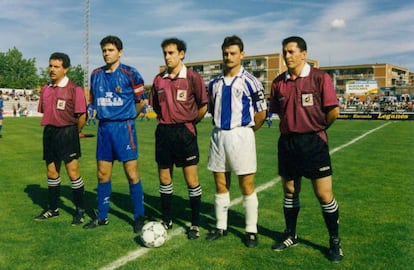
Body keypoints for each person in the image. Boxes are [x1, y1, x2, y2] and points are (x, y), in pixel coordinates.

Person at [268, 36, 343, 262]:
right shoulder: (278, 82)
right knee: (290, 192)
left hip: (314, 143)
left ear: (303, 54)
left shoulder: (320, 78)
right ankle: (291, 234)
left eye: (291, 52)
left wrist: (316, 129)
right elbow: (277, 111)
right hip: (288, 143)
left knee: (324, 194)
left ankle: (335, 242)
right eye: (285, 52)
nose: (287, 56)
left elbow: (333, 112)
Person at [205, 35, 267, 248]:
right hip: (218, 135)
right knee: (221, 183)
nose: (228, 57)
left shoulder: (250, 80)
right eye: (225, 53)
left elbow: (261, 113)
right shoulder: (214, 83)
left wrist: (247, 132)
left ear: (242, 54)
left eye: (233, 53)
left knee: (246, 184)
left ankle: (251, 230)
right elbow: (212, 109)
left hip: (242, 135)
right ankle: (221, 226)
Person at [83, 35, 146, 233]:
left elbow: (141, 101)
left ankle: (139, 216)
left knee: (131, 173)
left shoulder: (130, 73)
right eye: (104, 50)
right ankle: (102, 217)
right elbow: (92, 101)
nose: (106, 54)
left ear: (120, 52)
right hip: (104, 129)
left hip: (124, 128)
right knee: (102, 174)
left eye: (110, 50)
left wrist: (127, 118)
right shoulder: (95, 74)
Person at [149, 38, 208, 240]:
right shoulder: (158, 80)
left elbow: (203, 106)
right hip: (164, 132)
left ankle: (195, 223)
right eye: (165, 53)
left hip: (185, 132)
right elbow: (156, 106)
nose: (167, 57)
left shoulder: (192, 77)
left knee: (191, 180)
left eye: (171, 53)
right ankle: (167, 219)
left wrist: (190, 124)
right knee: (165, 179)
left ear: (181, 54)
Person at [34, 52, 87, 225]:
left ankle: (80, 210)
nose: (52, 69)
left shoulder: (75, 89)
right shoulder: (46, 89)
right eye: (50, 65)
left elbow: (82, 115)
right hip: (49, 133)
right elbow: (44, 111)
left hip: (68, 132)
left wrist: (74, 132)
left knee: (73, 173)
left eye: (56, 66)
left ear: (66, 69)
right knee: (51, 172)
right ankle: (53, 209)